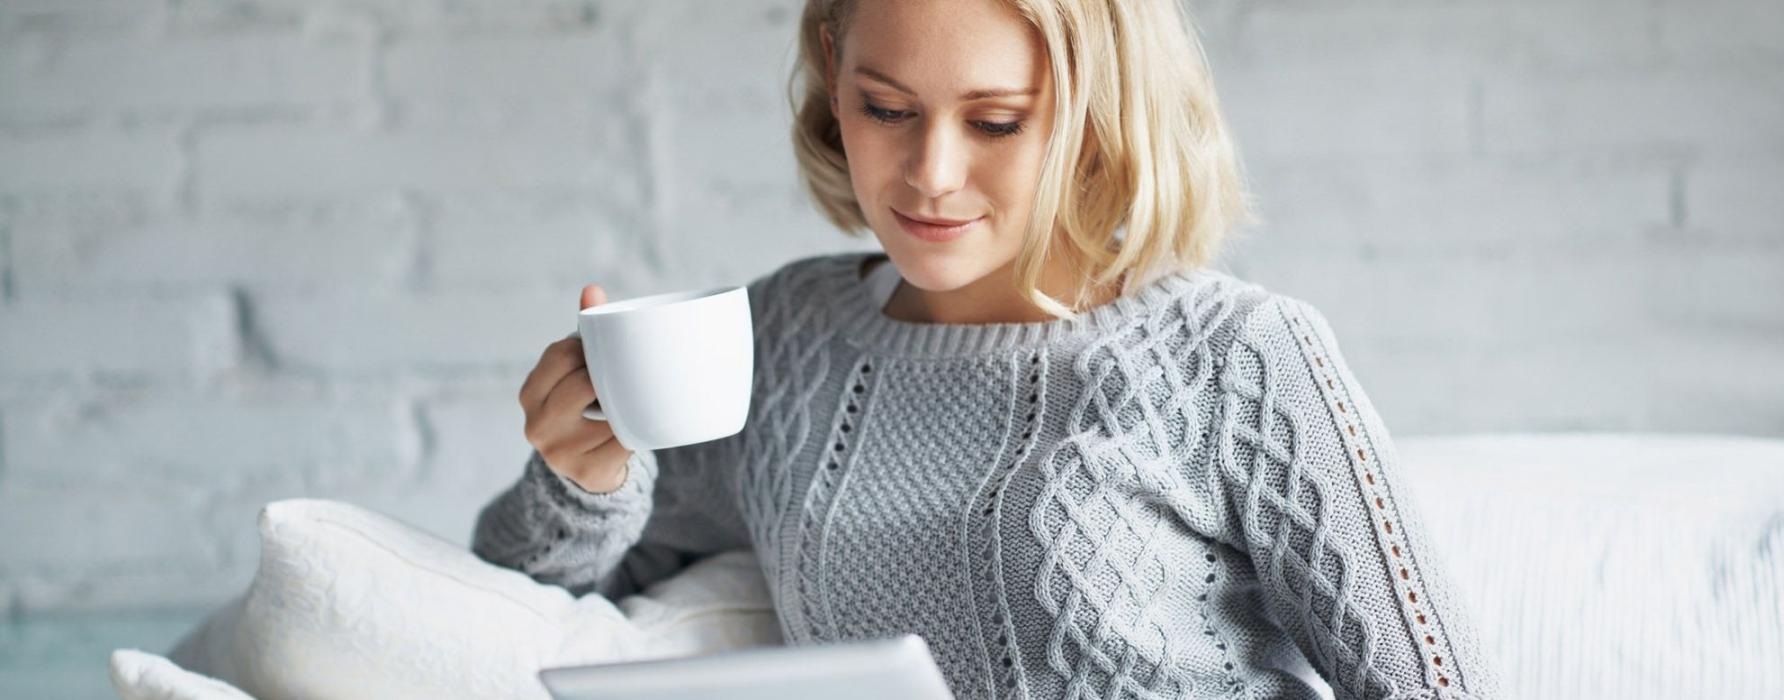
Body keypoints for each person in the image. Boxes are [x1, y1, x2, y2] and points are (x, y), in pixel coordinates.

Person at [474, 0, 1498, 697]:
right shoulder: (783, 341)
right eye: (887, 109)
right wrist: (583, 476)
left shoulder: (1235, 357)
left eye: (998, 121)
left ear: (1099, 114)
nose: (929, 174)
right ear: (833, 76)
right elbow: (521, 605)